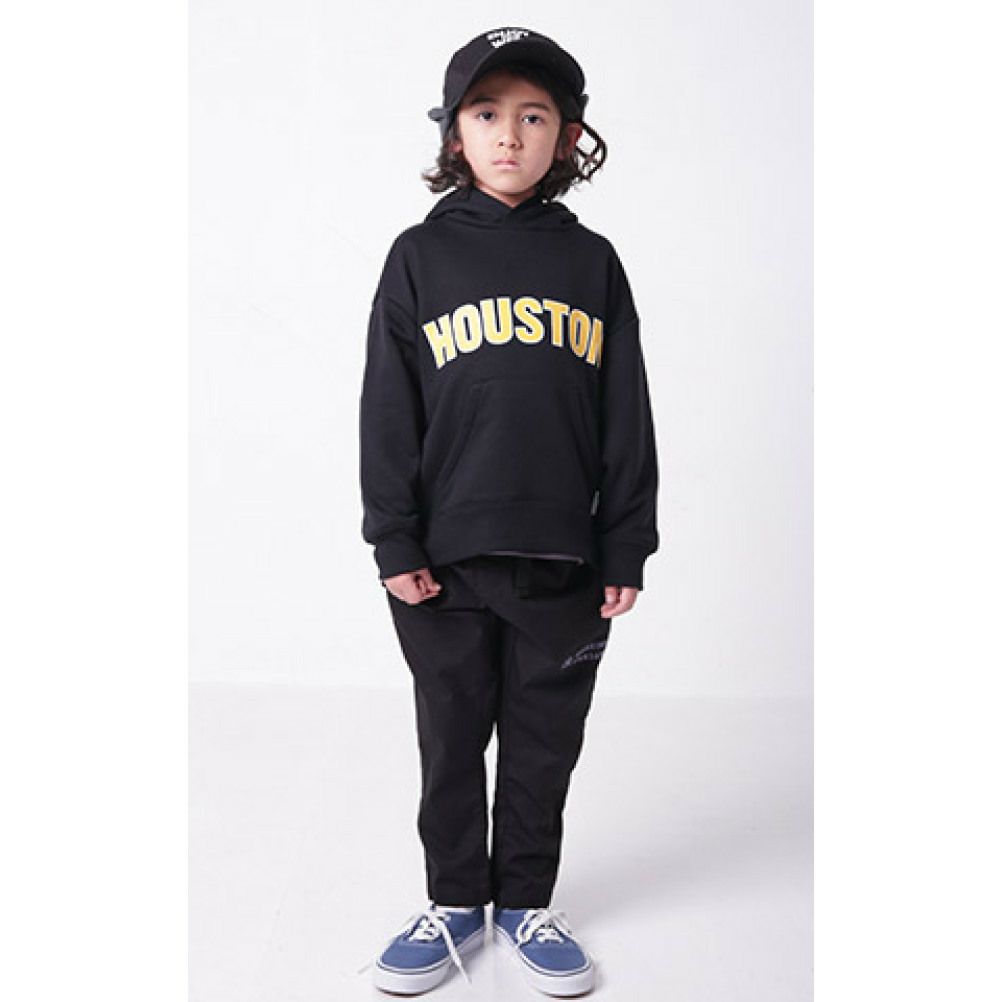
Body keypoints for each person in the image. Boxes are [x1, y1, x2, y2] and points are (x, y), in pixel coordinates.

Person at [359, 26, 659, 997]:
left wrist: (626, 542)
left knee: (543, 741)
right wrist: (393, 536)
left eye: (535, 117)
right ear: (454, 134)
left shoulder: (593, 264)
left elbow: (626, 413)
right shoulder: (418, 257)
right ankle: (455, 902)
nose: (509, 135)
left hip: (564, 558)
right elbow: (387, 408)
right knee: (450, 738)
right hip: (442, 560)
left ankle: (526, 902)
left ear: (567, 138)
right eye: (487, 114)